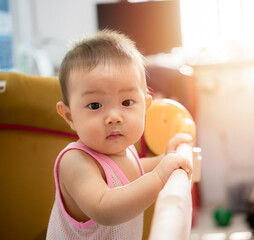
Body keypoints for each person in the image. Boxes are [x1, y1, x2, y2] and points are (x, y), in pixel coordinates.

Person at [46, 29, 193, 239]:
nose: (114, 117)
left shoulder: (124, 150)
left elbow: (130, 172)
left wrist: (166, 159)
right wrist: (159, 176)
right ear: (69, 116)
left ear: (146, 106)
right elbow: (103, 207)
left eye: (126, 102)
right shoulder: (75, 162)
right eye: (95, 105)